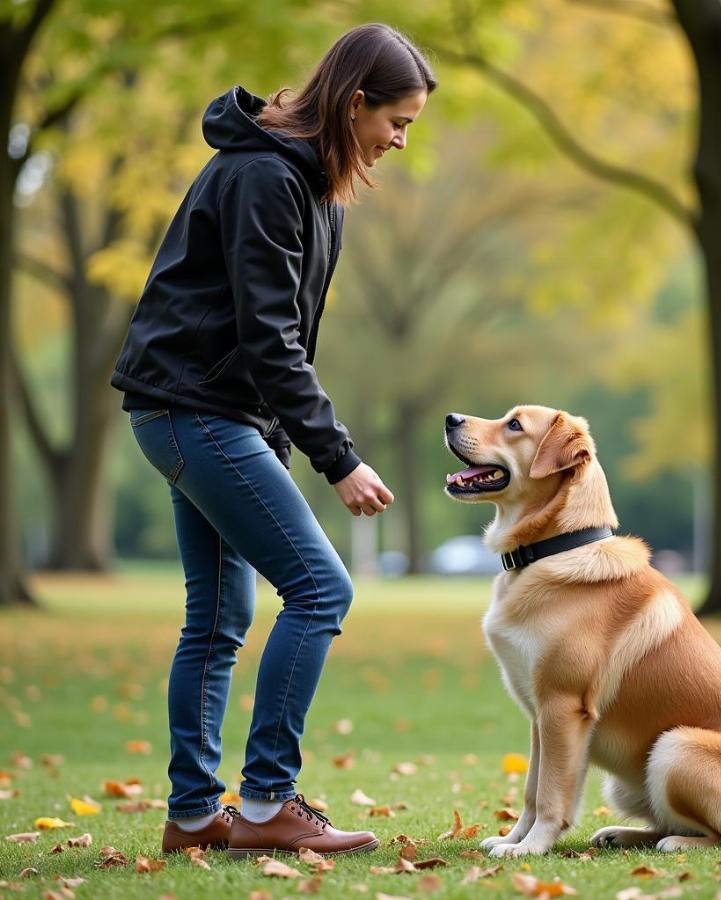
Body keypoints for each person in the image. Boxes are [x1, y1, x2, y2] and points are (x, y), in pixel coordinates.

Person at [110, 23, 435, 857]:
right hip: (193, 410)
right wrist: (339, 457)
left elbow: (268, 338)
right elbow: (268, 337)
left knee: (218, 617)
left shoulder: (304, 180)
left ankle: (192, 816)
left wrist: (280, 437)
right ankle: (264, 802)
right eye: (395, 122)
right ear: (355, 102)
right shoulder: (265, 176)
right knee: (322, 590)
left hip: (203, 410)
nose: (398, 141)